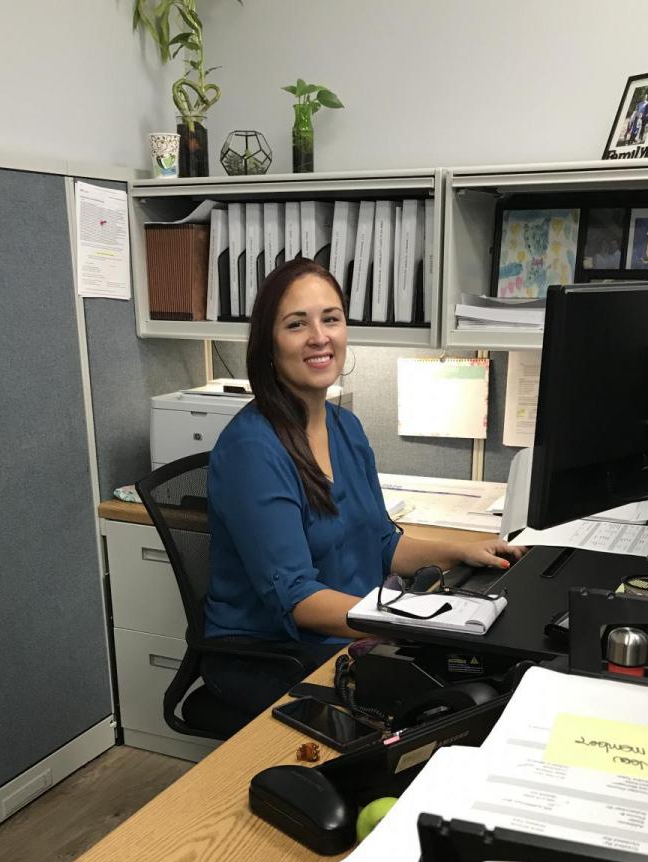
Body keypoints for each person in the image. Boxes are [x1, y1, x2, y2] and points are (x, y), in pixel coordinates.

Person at [202, 257, 522, 718]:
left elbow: (382, 542)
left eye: (330, 319)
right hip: (272, 655)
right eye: (297, 324)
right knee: (445, 712)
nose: (319, 336)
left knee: (487, 683)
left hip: (354, 633)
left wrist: (461, 552)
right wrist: (410, 622)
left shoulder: (344, 427)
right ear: (269, 345)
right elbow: (298, 600)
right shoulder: (253, 450)